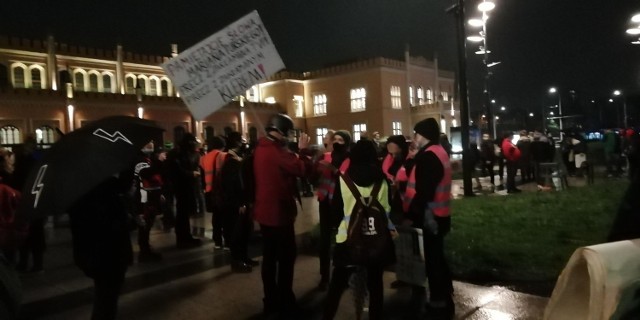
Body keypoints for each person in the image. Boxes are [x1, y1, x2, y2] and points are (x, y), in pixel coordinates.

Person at [323, 139, 396, 320]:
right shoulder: (382, 181)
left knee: (337, 285)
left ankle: (327, 317)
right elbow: (387, 210)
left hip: (347, 241)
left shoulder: (343, 180)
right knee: (375, 285)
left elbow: (335, 214)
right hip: (375, 242)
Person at [252, 113, 313, 317]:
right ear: (281, 131)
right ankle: (285, 301)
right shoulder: (275, 151)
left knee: (270, 259)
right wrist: (303, 150)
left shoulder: (261, 148)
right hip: (279, 213)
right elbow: (301, 169)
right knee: (286, 260)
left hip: (265, 211)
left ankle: (270, 300)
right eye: (287, 132)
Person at [67, 169, 136, 320]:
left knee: (104, 298)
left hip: (92, 253)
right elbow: (112, 225)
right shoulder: (105, 192)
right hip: (109, 254)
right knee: (107, 300)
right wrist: (129, 220)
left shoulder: (77, 190)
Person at [404, 118, 454, 318]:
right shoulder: (437, 152)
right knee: (437, 257)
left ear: (423, 134)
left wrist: (410, 215)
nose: (414, 137)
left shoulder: (428, 157)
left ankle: (437, 301)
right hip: (440, 213)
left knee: (432, 260)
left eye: (416, 133)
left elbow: (423, 191)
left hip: (430, 216)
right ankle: (445, 289)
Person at [312, 129, 351, 291]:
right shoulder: (325, 156)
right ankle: (324, 276)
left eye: (341, 140)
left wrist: (334, 169)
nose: (336, 142)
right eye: (335, 139)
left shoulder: (348, 158)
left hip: (341, 203)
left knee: (343, 239)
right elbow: (314, 177)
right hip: (325, 201)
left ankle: (343, 274)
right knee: (324, 240)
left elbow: (348, 179)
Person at [218, 132, 257, 272]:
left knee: (245, 231)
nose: (243, 143)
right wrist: (239, 203)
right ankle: (237, 261)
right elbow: (231, 185)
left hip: (242, 201)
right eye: (241, 141)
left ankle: (244, 257)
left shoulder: (236, 159)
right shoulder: (229, 160)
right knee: (236, 232)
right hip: (235, 204)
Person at [169, 133, 203, 248]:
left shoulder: (187, 153)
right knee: (182, 213)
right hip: (181, 187)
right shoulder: (178, 154)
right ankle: (182, 238)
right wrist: (191, 173)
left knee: (185, 213)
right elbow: (177, 171)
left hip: (188, 186)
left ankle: (186, 236)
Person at [134, 141, 164, 262]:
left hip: (150, 196)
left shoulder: (146, 159)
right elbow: (147, 175)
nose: (151, 144)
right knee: (145, 223)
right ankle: (145, 250)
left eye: (151, 142)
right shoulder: (140, 160)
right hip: (145, 197)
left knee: (148, 223)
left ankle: (145, 247)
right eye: (147, 143)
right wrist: (159, 163)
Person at [200, 136, 227, 249]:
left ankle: (217, 242)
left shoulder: (203, 158)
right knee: (225, 217)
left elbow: (202, 176)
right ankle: (227, 241)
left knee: (216, 217)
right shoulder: (223, 155)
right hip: (221, 191)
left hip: (209, 191)